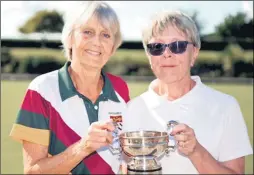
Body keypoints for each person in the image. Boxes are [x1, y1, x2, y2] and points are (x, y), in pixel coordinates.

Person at [122, 10, 253, 174]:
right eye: (157, 47)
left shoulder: (226, 106)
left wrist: (196, 152)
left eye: (178, 46)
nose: (167, 54)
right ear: (148, 55)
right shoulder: (132, 108)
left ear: (195, 53)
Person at [9, 1, 130, 174]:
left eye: (106, 35)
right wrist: (83, 147)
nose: (97, 42)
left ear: (112, 47)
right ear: (70, 38)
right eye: (87, 32)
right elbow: (32, 171)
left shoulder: (120, 88)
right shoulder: (41, 90)